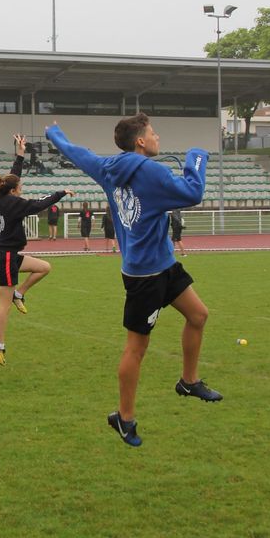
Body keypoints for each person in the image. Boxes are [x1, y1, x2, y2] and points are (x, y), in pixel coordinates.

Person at [46, 113, 222, 449]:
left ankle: (188, 381)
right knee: (136, 349)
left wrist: (55, 133)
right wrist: (197, 156)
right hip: (145, 276)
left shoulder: (107, 166)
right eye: (154, 133)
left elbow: (77, 152)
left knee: (198, 315)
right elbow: (193, 192)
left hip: (164, 264)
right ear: (140, 141)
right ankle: (124, 418)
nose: (158, 137)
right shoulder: (153, 172)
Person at [0, 134, 73, 365]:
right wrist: (61, 193)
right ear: (14, 191)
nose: (21, 188)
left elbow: (13, 175)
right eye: (20, 187)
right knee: (3, 305)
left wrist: (20, 153)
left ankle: (19, 293)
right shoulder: (14, 203)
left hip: (11, 255)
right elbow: (40, 203)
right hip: (5, 258)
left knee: (44, 267)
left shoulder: (3, 196)